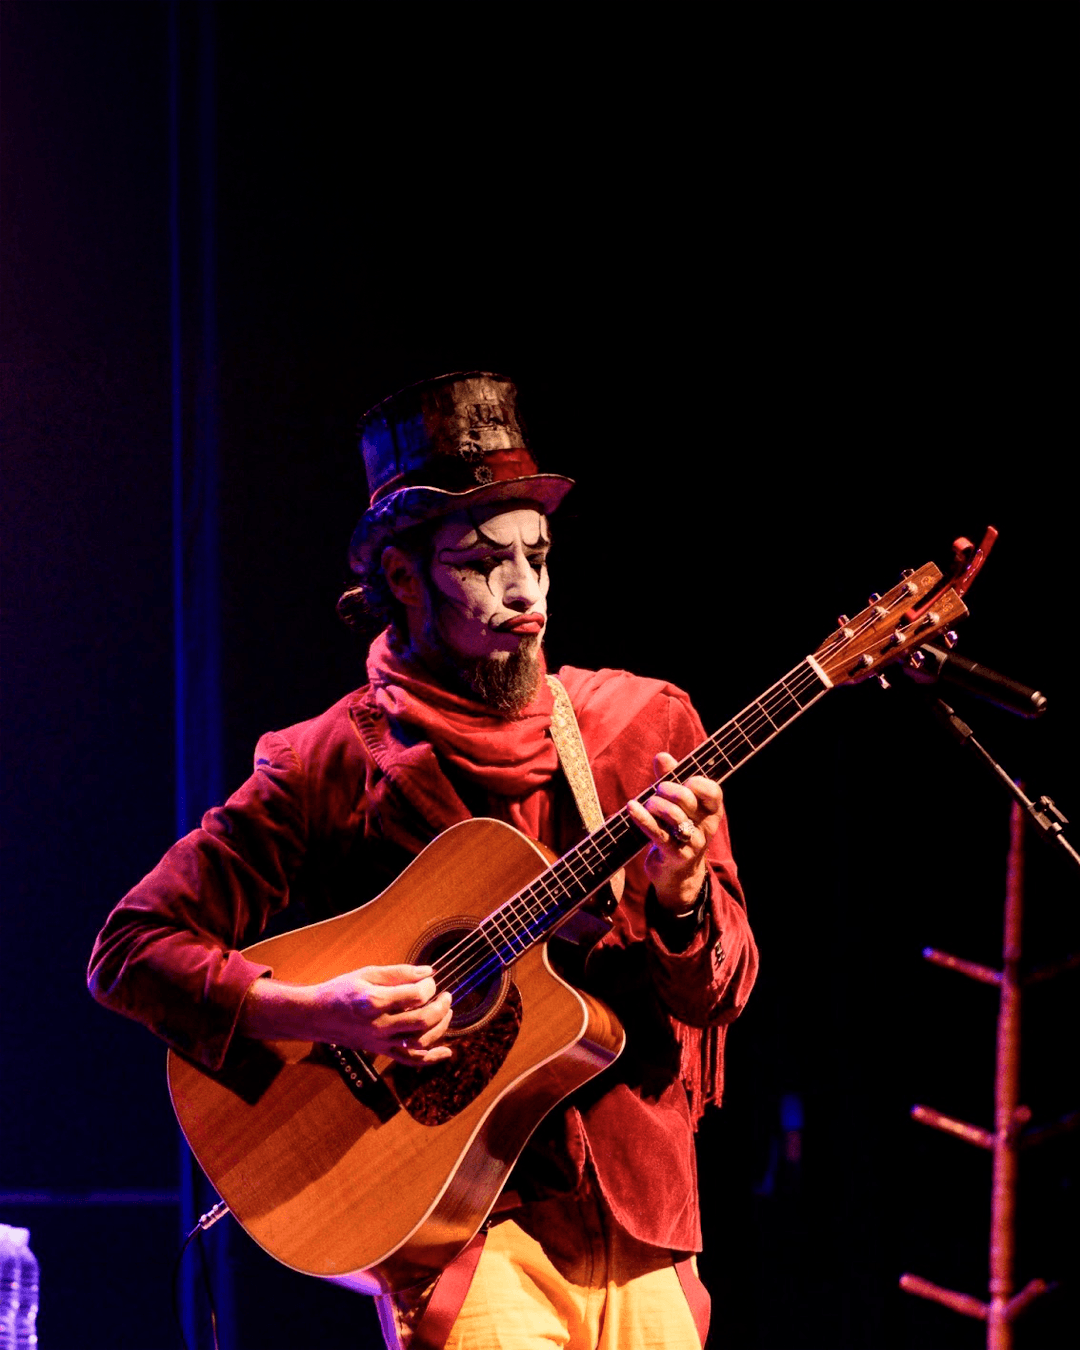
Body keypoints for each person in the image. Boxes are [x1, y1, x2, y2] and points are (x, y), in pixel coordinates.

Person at [88, 371, 759, 1349]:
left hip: (641, 1220)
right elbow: (128, 949)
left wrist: (685, 899)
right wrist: (318, 1009)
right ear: (401, 578)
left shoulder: (642, 727)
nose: (525, 592)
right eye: (485, 563)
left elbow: (721, 994)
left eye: (537, 555)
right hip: (464, 1240)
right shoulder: (331, 759)